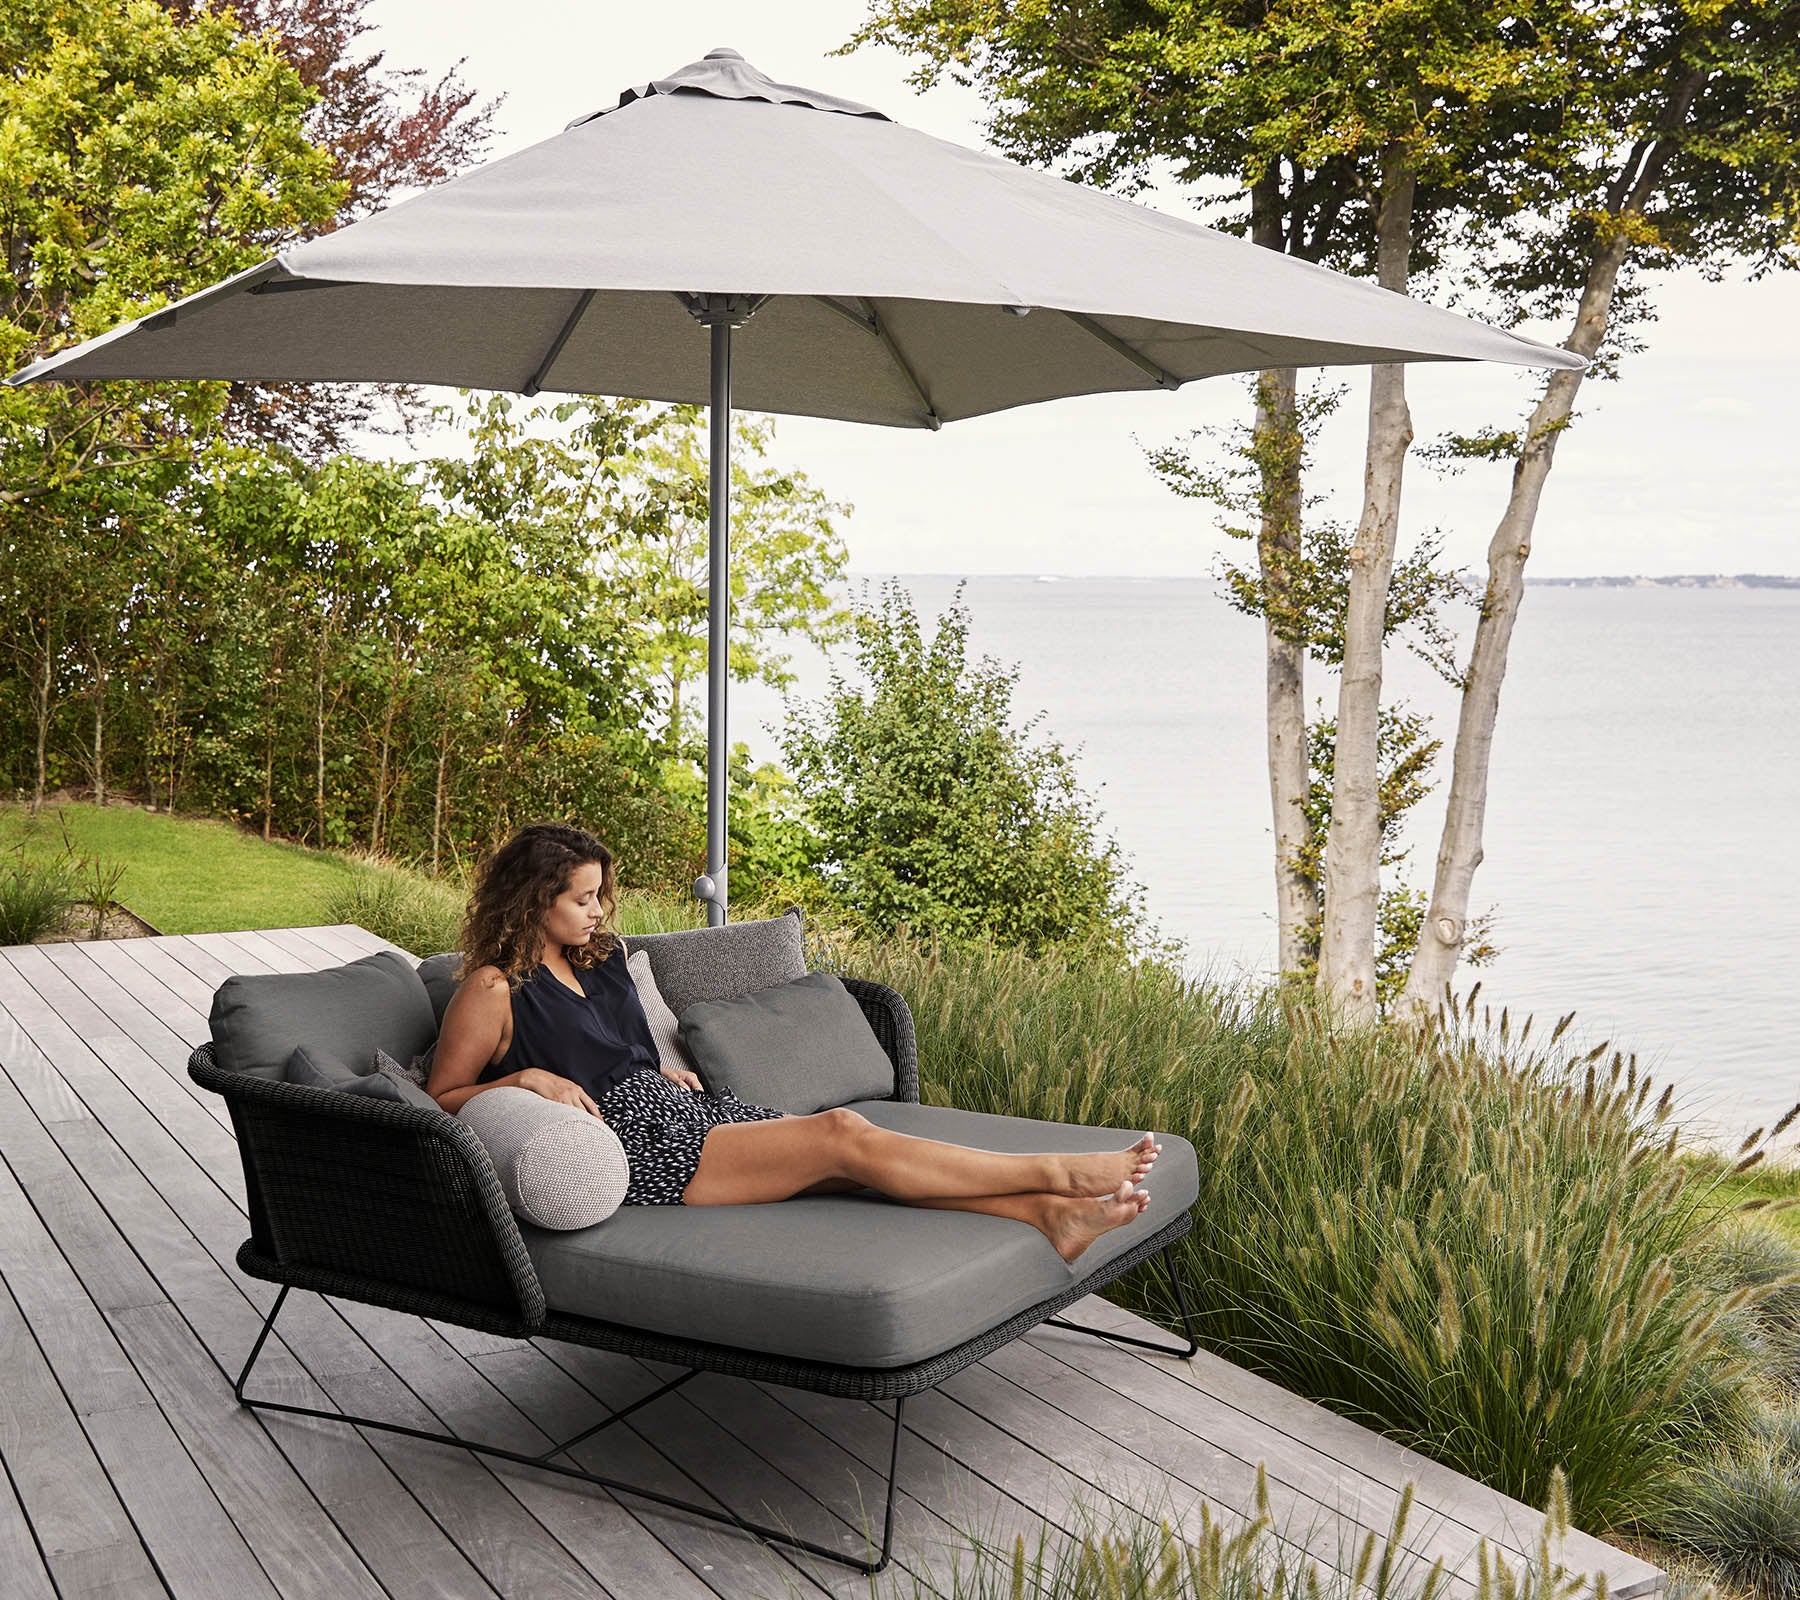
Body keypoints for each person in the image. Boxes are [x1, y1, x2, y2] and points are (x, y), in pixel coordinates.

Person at [430, 823, 1158, 1262]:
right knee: (845, 1134)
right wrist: (523, 1081)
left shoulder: (603, 956)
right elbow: (442, 1100)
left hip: (681, 1114)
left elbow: (624, 1050)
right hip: (631, 1149)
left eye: (598, 895)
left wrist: (661, 1071)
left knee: (859, 1171)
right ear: (534, 901)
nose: (598, 911)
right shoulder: (493, 989)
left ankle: (1047, 1216)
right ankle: (1061, 1173)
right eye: (581, 899)